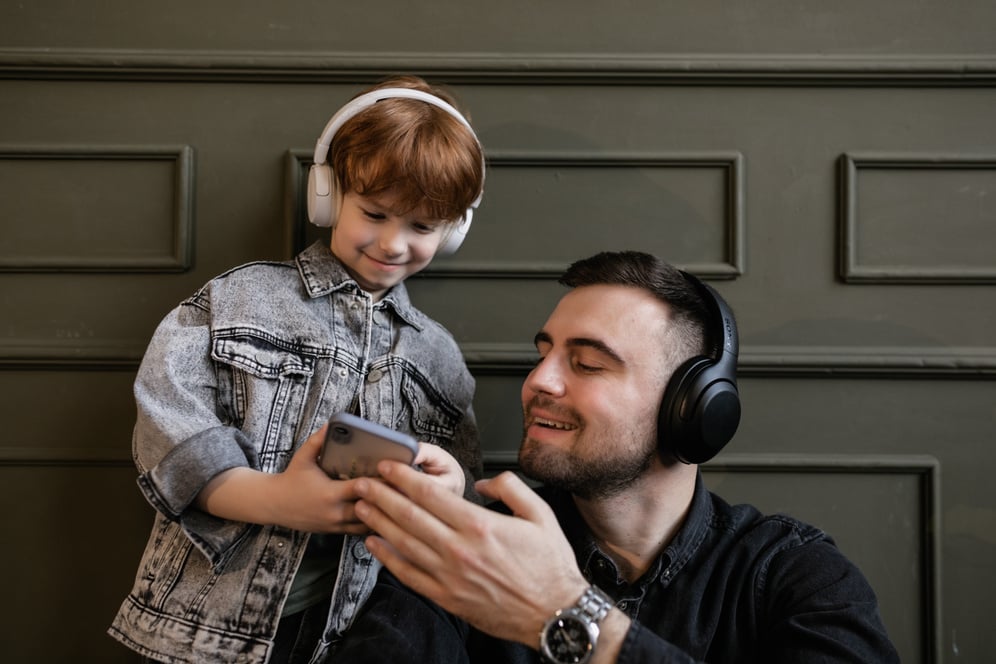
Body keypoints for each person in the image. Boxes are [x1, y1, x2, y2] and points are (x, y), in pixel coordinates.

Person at [339, 250, 901, 663]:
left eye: (586, 364)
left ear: (694, 410)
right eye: (544, 355)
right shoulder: (471, 549)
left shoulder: (795, 575)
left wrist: (565, 612)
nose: (538, 382)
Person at [108, 74, 487, 664]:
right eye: (375, 213)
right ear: (328, 195)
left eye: (421, 227)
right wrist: (278, 499)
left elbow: (459, 489)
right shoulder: (239, 299)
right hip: (207, 630)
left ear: (454, 230)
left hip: (351, 635)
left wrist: (453, 488)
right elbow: (170, 426)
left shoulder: (437, 356)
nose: (392, 243)